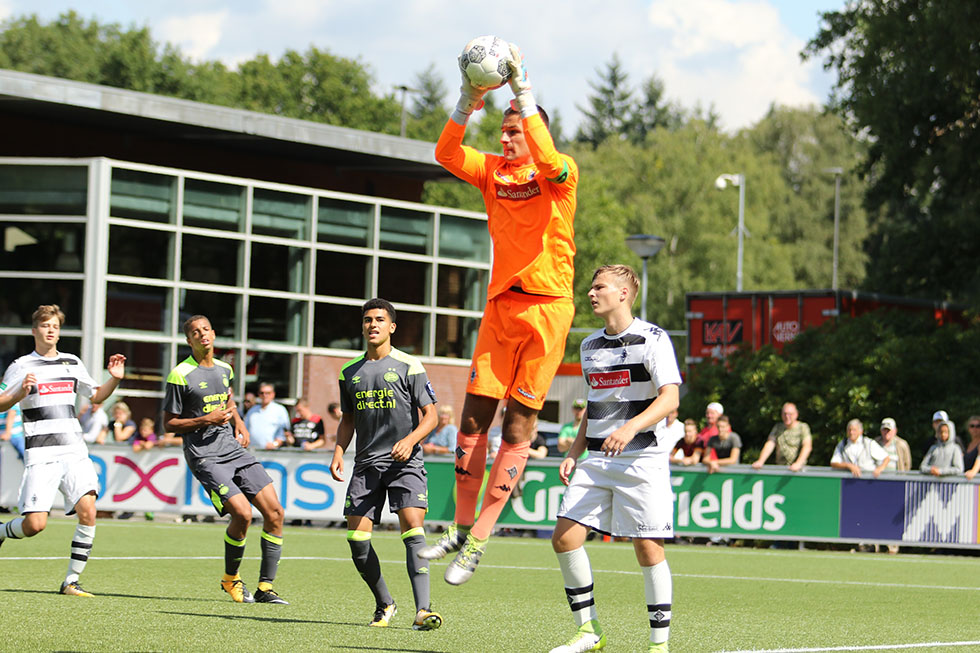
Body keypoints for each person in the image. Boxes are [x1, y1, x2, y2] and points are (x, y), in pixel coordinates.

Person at [422, 40, 579, 586]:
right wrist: (466, 103)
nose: (507, 139)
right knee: (469, 424)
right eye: (504, 132)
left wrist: (522, 94)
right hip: (499, 309)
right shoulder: (493, 174)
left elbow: (551, 157)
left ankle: (482, 538)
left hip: (547, 310)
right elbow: (445, 154)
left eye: (514, 131)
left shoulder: (560, 178)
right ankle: (461, 529)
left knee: (518, 426)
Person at [550, 265, 681, 653]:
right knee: (564, 537)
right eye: (591, 288)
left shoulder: (653, 338)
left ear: (623, 293)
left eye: (599, 287)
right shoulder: (589, 345)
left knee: (648, 549)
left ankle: (659, 645)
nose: (591, 294)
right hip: (595, 459)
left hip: (643, 458)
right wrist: (575, 452)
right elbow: (594, 405)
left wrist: (629, 429)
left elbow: (670, 398)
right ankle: (590, 631)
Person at [330, 298, 442, 631]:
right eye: (367, 320)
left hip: (405, 462)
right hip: (366, 466)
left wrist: (410, 441)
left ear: (391, 327)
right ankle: (385, 603)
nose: (372, 325)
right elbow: (348, 419)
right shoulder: (348, 371)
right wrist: (338, 450)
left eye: (379, 319)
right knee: (356, 541)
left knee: (413, 530)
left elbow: (431, 416)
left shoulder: (410, 365)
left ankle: (423, 611)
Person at [0, 304, 126, 596]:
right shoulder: (21, 366)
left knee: (89, 510)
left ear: (59, 332)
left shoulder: (71, 362)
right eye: (45, 326)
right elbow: (2, 401)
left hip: (74, 452)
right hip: (42, 456)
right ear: (35, 331)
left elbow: (96, 396)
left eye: (55, 326)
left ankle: (71, 581)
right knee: (34, 525)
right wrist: (20, 393)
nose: (50, 330)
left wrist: (115, 379)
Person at [163, 315, 287, 605]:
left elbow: (228, 401)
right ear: (188, 340)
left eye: (206, 329)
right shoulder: (180, 375)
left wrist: (240, 424)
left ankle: (265, 588)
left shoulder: (225, 369)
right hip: (205, 456)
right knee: (242, 514)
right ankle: (230, 578)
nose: (202, 335)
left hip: (232, 449)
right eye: (195, 332)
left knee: (276, 513)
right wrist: (206, 419)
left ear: (214, 333)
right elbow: (169, 423)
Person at [751, 402, 813, 472]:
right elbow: (770, 443)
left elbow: (807, 446)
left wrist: (798, 463)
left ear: (796, 414)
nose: (787, 416)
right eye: (785, 414)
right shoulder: (777, 427)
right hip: (781, 468)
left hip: (798, 470)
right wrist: (760, 461)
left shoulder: (803, 427)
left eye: (790, 414)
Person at [244, 382, 291, 449]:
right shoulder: (252, 410)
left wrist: (275, 444)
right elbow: (245, 428)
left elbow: (284, 432)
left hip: (271, 452)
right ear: (259, 394)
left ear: (273, 394)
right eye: (262, 393)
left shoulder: (280, 410)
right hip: (253, 450)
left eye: (268, 393)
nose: (264, 395)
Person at [964, 415, 980, 480]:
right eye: (972, 426)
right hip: (967, 483)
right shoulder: (967, 445)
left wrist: (973, 471)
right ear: (968, 428)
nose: (975, 429)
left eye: (978, 426)